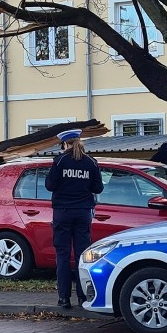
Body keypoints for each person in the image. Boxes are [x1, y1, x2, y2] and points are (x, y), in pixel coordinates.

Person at [44, 129, 103, 309]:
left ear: (64, 144)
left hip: (62, 212)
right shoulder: (91, 162)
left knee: (62, 256)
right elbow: (98, 188)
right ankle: (83, 297)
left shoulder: (59, 161)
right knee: (82, 256)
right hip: (83, 212)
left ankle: (64, 298)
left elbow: (50, 185)